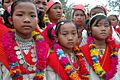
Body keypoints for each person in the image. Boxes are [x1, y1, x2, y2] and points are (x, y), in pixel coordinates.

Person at [0, 0, 49, 79]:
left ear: (38, 20)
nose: (27, 20)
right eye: (20, 15)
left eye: (32, 16)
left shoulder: (46, 48)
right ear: (11, 20)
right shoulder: (2, 48)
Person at [80, 13, 120, 80]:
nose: (103, 29)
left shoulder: (117, 50)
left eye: (106, 26)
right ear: (90, 30)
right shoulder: (82, 51)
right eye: (98, 26)